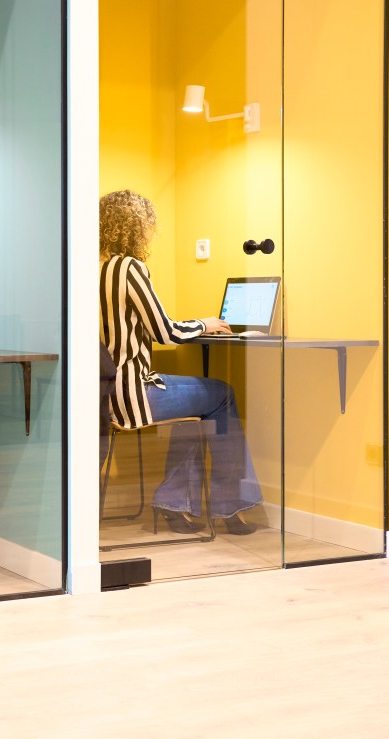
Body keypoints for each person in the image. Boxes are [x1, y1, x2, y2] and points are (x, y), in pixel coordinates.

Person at [99, 189, 262, 534]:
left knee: (195, 409)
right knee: (221, 394)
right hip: (134, 394)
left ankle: (175, 504)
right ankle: (229, 508)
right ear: (138, 227)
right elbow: (163, 331)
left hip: (111, 391)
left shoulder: (104, 269)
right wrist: (206, 323)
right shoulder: (130, 268)